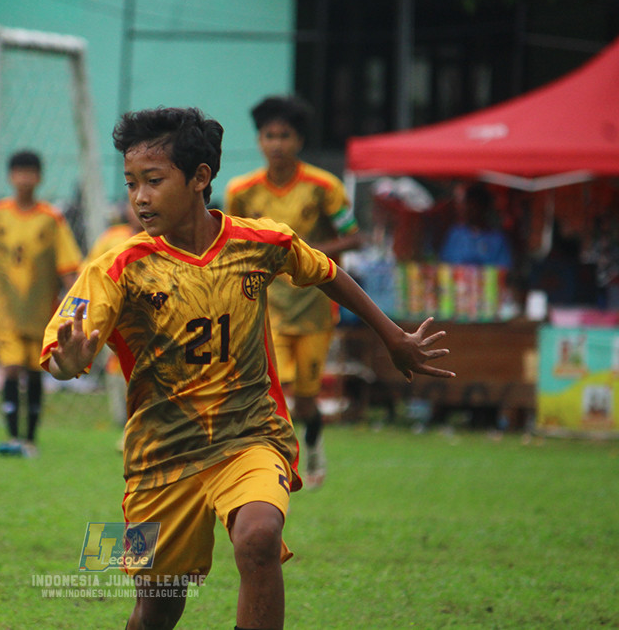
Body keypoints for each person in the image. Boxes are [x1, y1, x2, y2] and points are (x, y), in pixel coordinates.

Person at [41, 107, 453, 630]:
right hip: (162, 455)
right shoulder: (118, 267)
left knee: (258, 538)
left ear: (200, 178)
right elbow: (63, 348)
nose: (139, 197)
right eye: (131, 183)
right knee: (158, 606)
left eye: (153, 180)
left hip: (249, 435)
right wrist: (68, 362)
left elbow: (326, 270)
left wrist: (391, 335)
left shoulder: (260, 243)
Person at [224, 95, 362, 488]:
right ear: (259, 141)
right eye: (269, 136)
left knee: (305, 401)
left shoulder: (324, 187)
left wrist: (304, 253)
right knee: (275, 392)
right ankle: (280, 466)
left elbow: (354, 237)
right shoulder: (242, 191)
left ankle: (313, 445)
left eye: (284, 136)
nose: (277, 144)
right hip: (268, 308)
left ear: (299, 140)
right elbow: (231, 243)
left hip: (316, 307)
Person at [0, 150, 82, 458]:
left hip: (41, 313)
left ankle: (30, 438)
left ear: (39, 178)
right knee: (11, 368)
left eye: (30, 173)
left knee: (35, 371)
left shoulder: (51, 219)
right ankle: (13, 436)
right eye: (19, 173)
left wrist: (76, 309)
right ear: (10, 177)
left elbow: (69, 268)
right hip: (5, 311)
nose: (24, 179)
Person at [83, 199, 142, 431]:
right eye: (131, 204)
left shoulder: (168, 239)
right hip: (118, 319)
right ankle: (125, 420)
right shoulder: (111, 238)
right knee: (117, 361)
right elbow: (89, 273)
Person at [439, 183, 512, 268]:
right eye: (467, 205)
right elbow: (444, 264)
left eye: (474, 206)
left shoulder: (497, 239)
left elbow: (504, 268)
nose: (470, 210)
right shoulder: (455, 235)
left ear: (484, 207)